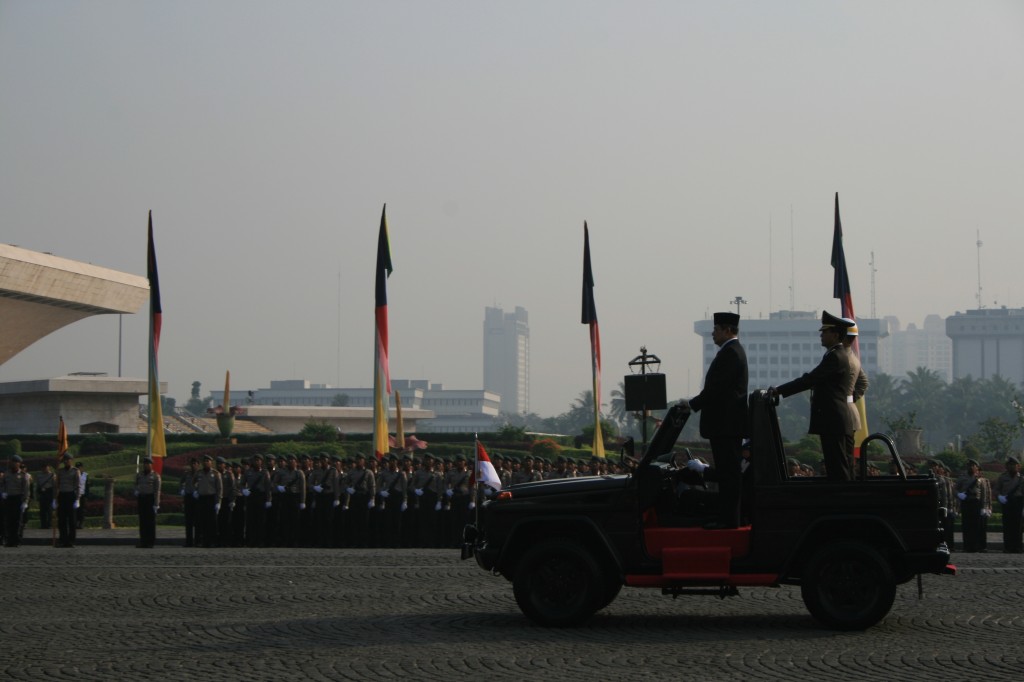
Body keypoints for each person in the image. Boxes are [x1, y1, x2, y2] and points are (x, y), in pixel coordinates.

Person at [770, 311, 857, 481]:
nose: (821, 335)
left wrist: (779, 390)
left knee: (838, 467)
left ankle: (842, 502)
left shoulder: (835, 357)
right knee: (838, 465)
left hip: (834, 419)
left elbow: (810, 379)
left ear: (835, 334)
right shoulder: (834, 355)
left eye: (825, 332)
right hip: (834, 419)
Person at [682, 311, 748, 529]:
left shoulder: (731, 353)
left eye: (716, 329)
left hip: (726, 425)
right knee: (727, 473)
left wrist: (692, 405)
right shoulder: (730, 352)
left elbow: (716, 389)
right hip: (725, 425)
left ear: (728, 330)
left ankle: (729, 521)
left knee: (729, 474)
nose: (713, 333)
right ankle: (726, 517)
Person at [956, 459, 990, 553]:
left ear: (977, 468)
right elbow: (955, 489)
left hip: (976, 503)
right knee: (966, 525)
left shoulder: (980, 479)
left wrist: (984, 507)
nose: (971, 467)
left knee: (977, 526)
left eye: (973, 466)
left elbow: (983, 493)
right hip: (966, 503)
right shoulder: (962, 478)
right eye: (969, 466)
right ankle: (967, 546)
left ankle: (976, 546)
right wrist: (959, 494)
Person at [994, 456, 1023, 553]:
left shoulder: (1021, 479)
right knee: (1007, 525)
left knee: (1018, 526)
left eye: (1014, 465)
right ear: (1007, 466)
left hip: (1018, 502)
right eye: (1010, 465)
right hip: (1007, 502)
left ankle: (1017, 546)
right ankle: (1008, 546)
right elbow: (996, 490)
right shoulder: (1002, 477)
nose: (1012, 467)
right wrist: (999, 497)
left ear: (1018, 466)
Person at [3, 455, 32, 547]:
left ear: (19, 463)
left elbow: (26, 490)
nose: (12, 463)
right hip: (8, 498)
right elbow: (2, 485)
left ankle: (16, 540)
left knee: (17, 521)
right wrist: (3, 492)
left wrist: (25, 502)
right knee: (8, 520)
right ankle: (9, 540)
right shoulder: (6, 474)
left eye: (15, 462)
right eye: (12, 462)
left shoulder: (23, 475)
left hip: (18, 498)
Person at [134, 456, 161, 548]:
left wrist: (156, 504)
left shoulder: (155, 476)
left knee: (150, 522)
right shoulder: (139, 475)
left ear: (151, 465)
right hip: (142, 498)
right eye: (145, 464)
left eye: (148, 464)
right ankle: (143, 541)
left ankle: (150, 541)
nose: (146, 465)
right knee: (142, 521)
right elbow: (136, 484)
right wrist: (136, 490)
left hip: (150, 499)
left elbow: (157, 491)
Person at [55, 453, 81, 547]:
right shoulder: (60, 471)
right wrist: (55, 499)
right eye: (65, 460)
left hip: (71, 495)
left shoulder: (75, 471)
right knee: (61, 520)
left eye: (68, 460)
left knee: (72, 521)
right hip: (62, 495)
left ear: (71, 460)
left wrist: (77, 499)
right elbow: (57, 485)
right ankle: (63, 540)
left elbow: (78, 486)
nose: (66, 461)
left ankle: (71, 541)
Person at [36, 465, 55, 529]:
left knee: (49, 510)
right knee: (42, 510)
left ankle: (49, 524)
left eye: (46, 467)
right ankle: (43, 524)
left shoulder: (52, 475)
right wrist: (37, 495)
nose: (44, 469)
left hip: (49, 492)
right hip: (42, 493)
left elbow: (55, 486)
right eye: (43, 467)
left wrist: (55, 497)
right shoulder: (39, 476)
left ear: (48, 467)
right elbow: (38, 485)